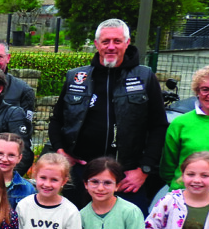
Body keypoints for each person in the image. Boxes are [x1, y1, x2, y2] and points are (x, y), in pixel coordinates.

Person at [48, 18, 167, 212]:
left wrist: (144, 170)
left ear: (127, 43)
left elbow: (158, 127)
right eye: (105, 41)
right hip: (81, 175)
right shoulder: (77, 78)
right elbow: (57, 120)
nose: (111, 47)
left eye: (117, 41)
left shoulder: (145, 77)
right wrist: (61, 152)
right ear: (96, 44)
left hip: (127, 176)